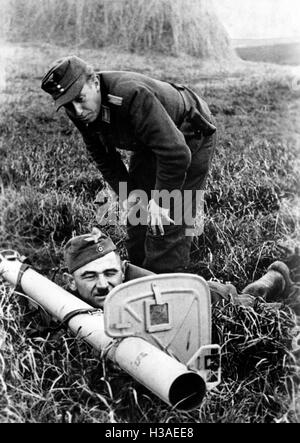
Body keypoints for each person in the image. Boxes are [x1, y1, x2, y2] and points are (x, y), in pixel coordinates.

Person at [41, 56, 217, 274]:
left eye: (80, 99)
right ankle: (138, 275)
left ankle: (166, 283)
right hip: (150, 140)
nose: (77, 111)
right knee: (137, 211)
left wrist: (160, 200)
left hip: (189, 131)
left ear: (95, 83)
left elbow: (176, 153)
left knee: (169, 215)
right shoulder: (79, 106)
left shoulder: (130, 95)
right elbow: (102, 154)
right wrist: (127, 193)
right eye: (68, 105)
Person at [63, 227, 296, 312]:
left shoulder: (148, 291)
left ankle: (275, 277)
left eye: (110, 273)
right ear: (70, 282)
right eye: (90, 276)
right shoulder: (62, 298)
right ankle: (273, 278)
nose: (103, 285)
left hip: (208, 301)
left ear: (123, 271)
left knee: (257, 308)